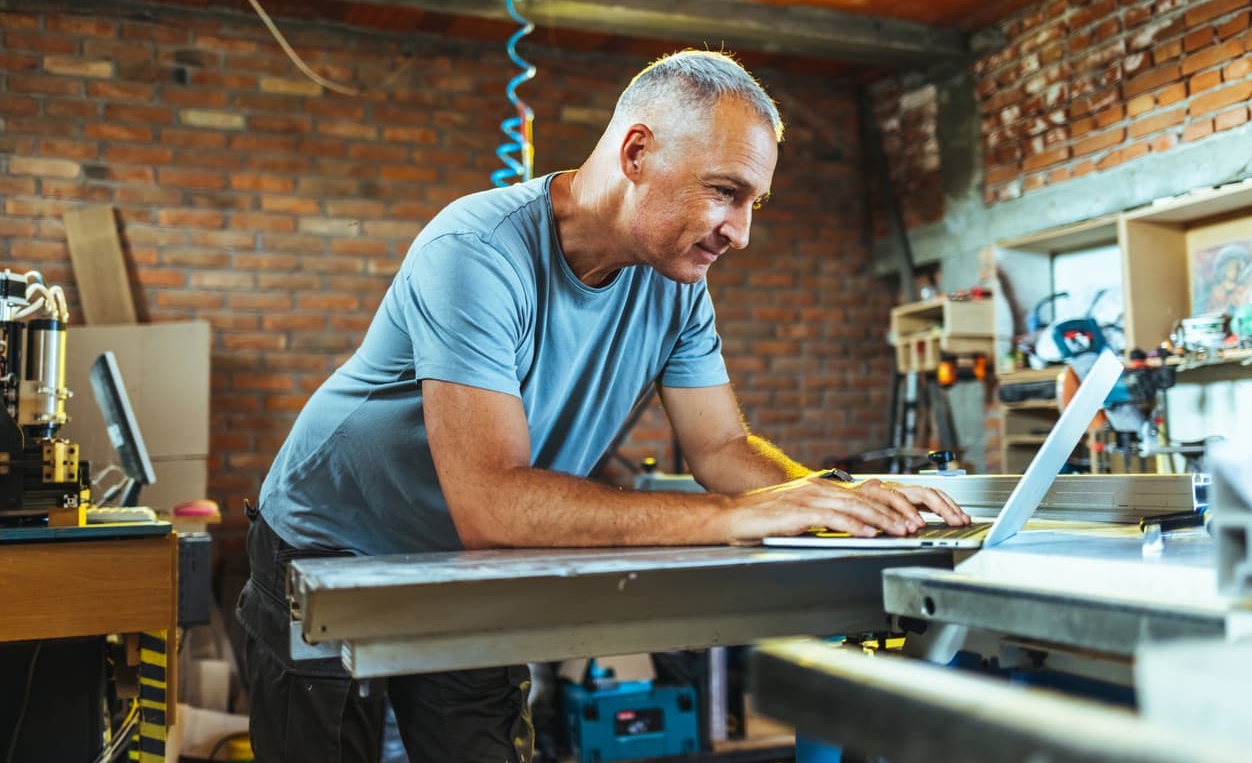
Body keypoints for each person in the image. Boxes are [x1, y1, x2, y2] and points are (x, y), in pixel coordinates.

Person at [236, 48, 968, 763]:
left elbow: (720, 449)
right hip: (331, 540)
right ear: (638, 152)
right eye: (725, 192)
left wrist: (836, 500)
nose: (740, 232)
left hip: (455, 559)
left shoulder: (678, 283)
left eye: (752, 203)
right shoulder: (475, 251)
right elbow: (490, 504)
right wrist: (732, 517)